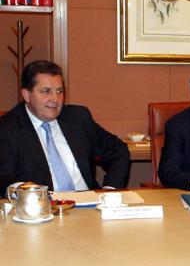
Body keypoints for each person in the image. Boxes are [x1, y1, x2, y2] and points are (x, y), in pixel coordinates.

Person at [0, 60, 129, 194]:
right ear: (26, 94)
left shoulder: (78, 118)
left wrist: (109, 191)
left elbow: (118, 150)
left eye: (59, 91)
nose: (55, 99)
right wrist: (25, 193)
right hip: (43, 209)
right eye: (46, 91)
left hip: (88, 204)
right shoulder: (7, 129)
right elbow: (4, 177)